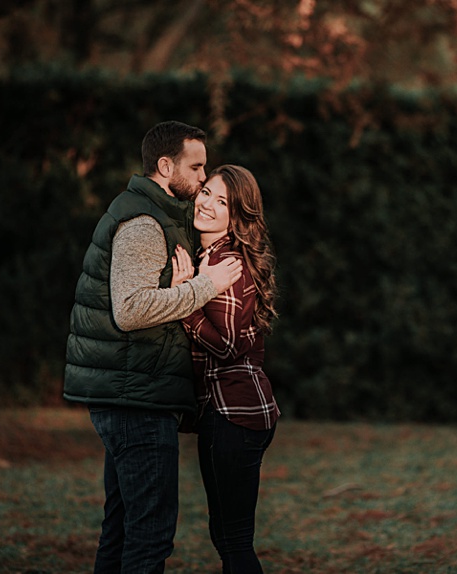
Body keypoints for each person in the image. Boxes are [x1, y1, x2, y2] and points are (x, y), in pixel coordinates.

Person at [64, 121, 243, 574]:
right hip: (136, 401)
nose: (203, 178)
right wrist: (205, 285)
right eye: (196, 166)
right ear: (166, 166)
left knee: (122, 529)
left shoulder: (155, 213)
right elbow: (131, 309)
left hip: (132, 393)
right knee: (149, 535)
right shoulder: (144, 223)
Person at [171, 164, 280, 574]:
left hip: (234, 414)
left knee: (233, 541)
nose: (209, 206)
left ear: (237, 217)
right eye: (207, 194)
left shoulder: (226, 263)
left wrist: (187, 297)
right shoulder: (211, 257)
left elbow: (229, 345)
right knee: (227, 537)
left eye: (224, 203)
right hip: (235, 412)